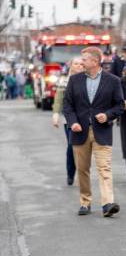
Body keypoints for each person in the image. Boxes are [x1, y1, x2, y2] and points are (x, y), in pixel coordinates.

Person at [62, 46, 124, 217]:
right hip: (79, 131)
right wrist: (73, 122)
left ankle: (107, 203)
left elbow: (119, 105)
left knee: (104, 168)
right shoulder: (74, 80)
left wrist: (108, 115)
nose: (82, 63)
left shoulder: (113, 81)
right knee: (82, 169)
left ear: (95, 62)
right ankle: (85, 202)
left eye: (85, 60)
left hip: (102, 131)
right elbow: (67, 105)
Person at [52, 57, 84, 185]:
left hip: (85, 119)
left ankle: (83, 173)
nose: (79, 66)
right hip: (69, 119)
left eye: (82, 64)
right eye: (76, 64)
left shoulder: (88, 79)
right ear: (71, 65)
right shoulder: (64, 80)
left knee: (83, 147)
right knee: (72, 145)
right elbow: (59, 99)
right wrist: (55, 114)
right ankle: (71, 173)